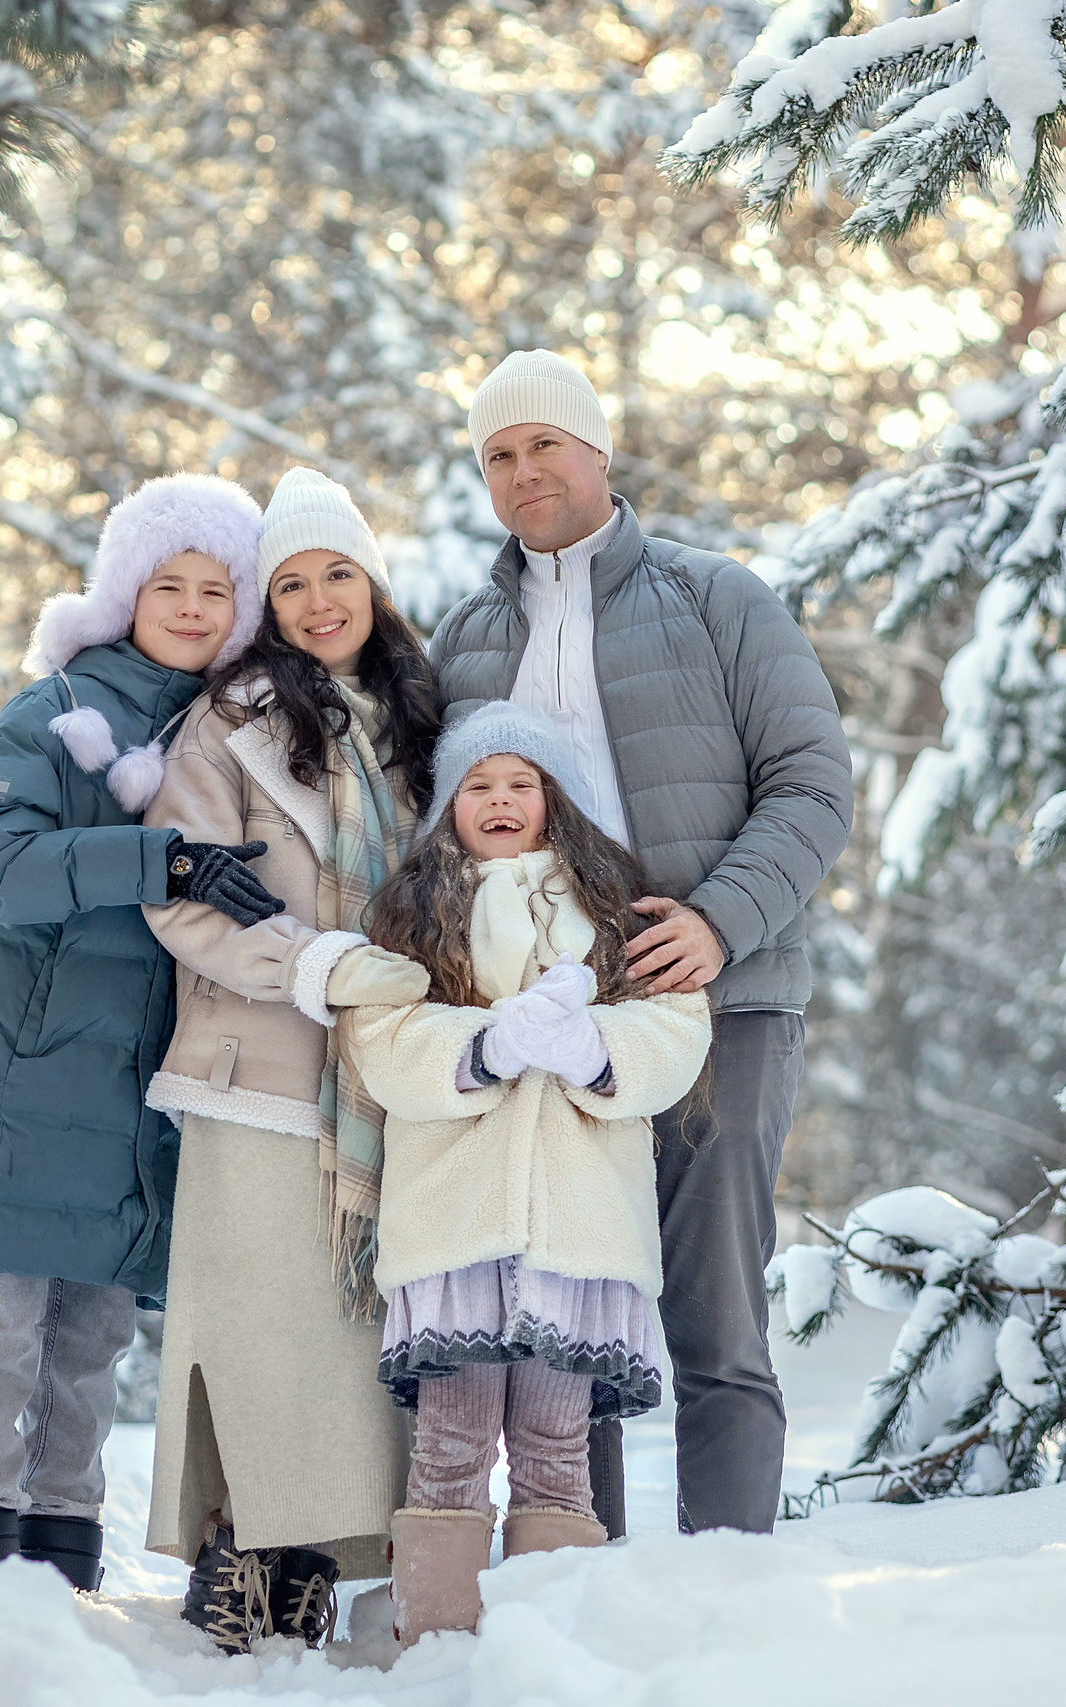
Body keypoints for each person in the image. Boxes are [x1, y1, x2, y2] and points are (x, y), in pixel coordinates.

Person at [427, 349, 856, 1537]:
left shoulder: (718, 598)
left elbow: (813, 783)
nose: (524, 474)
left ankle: (724, 1581)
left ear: (597, 452)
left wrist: (721, 921)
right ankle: (584, 1576)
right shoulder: (464, 638)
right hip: (548, 1024)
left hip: (722, 1000)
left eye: (544, 446)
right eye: (499, 457)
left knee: (714, 1311)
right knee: (575, 1318)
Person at [0, 474, 281, 1592]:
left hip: (138, 1085)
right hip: (25, 1074)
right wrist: (157, 860)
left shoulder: (233, 728)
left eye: (216, 589)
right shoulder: (52, 713)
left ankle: (65, 1537)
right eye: (169, 583)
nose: (192, 606)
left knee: (93, 1334)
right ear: (126, 591)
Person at [138, 465, 443, 1653]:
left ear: (371, 582)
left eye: (339, 575)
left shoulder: (422, 723)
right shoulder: (230, 722)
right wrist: (313, 967)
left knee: (347, 1334)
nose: (321, 601)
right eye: (294, 583)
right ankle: (238, 1549)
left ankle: (314, 1554)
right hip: (253, 1065)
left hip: (384, 1076)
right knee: (257, 1325)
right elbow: (182, 895)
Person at [342, 704, 711, 1641]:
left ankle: (552, 1645)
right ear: (450, 807)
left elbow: (678, 1028)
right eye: (479, 785)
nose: (501, 800)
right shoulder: (413, 911)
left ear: (555, 799)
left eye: (521, 783)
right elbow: (379, 1037)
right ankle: (436, 1642)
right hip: (454, 1224)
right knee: (451, 1442)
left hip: (578, 1229)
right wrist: (487, 1042)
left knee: (555, 1446)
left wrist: (592, 1044)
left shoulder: (616, 909)